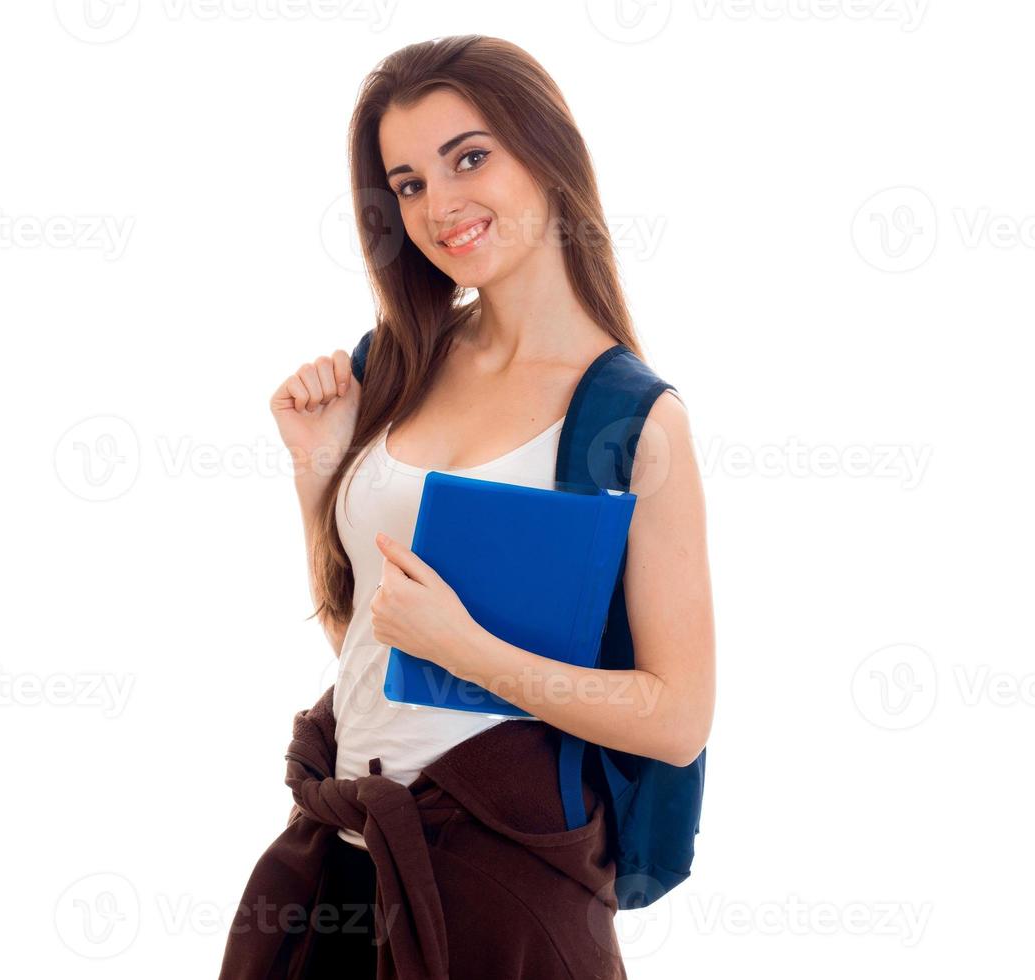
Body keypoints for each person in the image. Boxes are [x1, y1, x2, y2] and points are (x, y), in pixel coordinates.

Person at [223, 34, 715, 979]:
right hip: (349, 867)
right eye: (407, 183)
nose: (440, 205)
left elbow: (677, 716)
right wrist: (318, 475)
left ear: (549, 152)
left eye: (470, 158)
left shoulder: (631, 421)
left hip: (507, 886)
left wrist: (465, 647)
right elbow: (363, 640)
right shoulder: (397, 365)